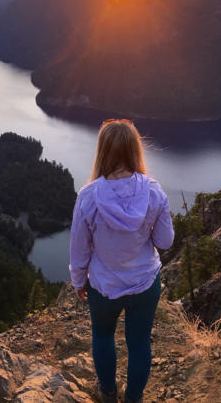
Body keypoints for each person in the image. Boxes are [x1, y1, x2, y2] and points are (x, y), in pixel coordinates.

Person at [69, 119, 174, 403]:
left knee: (102, 336)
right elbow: (165, 242)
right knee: (139, 343)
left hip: (104, 287)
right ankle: (134, 398)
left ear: (102, 152)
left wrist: (79, 282)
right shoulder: (154, 191)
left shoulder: (89, 197)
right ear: (135, 150)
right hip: (144, 284)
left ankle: (107, 393)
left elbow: (79, 251)